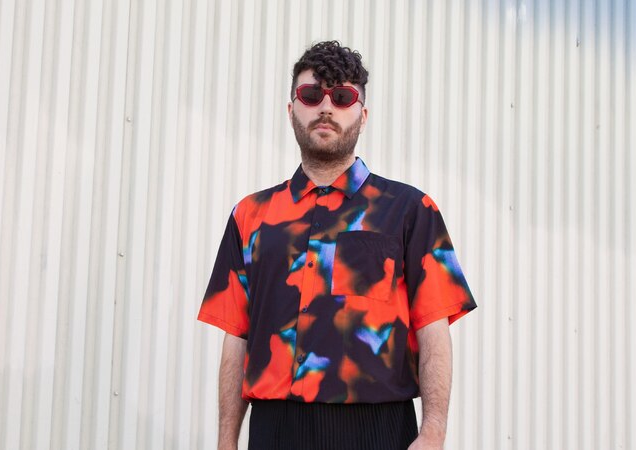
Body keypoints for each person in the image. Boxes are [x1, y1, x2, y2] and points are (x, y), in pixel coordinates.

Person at [198, 40, 477, 450]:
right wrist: (226, 442)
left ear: (362, 115)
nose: (325, 107)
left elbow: (432, 325)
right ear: (291, 109)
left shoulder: (411, 210)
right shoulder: (250, 216)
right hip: (274, 429)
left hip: (377, 428)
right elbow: (236, 335)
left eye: (342, 96)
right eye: (311, 95)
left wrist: (433, 431)